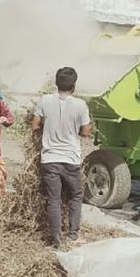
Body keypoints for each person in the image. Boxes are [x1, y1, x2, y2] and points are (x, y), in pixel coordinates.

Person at [32, 67, 91, 248]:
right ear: (74, 85)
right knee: (76, 195)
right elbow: (86, 133)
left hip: (49, 159)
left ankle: (56, 239)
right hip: (71, 159)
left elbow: (35, 126)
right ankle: (73, 235)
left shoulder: (45, 100)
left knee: (54, 200)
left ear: (56, 83)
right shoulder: (81, 105)